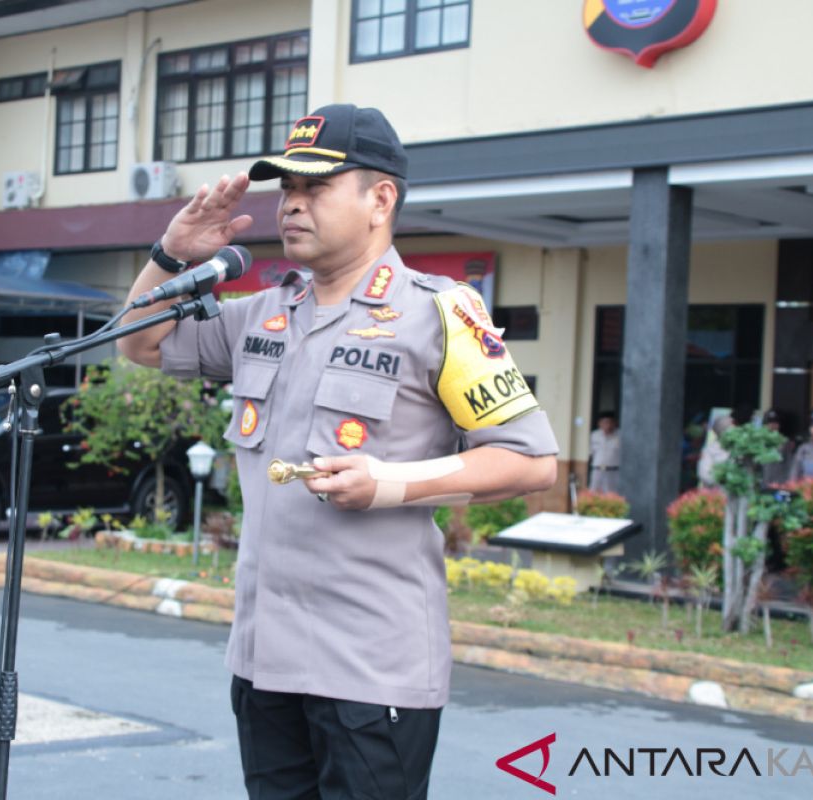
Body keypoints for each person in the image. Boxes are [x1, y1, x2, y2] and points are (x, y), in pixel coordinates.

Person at [118, 104, 559, 799]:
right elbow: (138, 342)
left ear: (380, 199)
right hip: (265, 659)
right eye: (286, 189)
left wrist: (390, 483)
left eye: (315, 187)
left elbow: (531, 460)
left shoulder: (441, 313)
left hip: (371, 665)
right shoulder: (263, 312)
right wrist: (171, 256)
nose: (291, 204)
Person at [697, 411, 733, 488]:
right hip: (716, 494)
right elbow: (704, 474)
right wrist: (724, 478)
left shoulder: (739, 448)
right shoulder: (710, 450)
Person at [760, 409, 795, 487]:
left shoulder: (785, 442)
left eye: (775, 422)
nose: (772, 425)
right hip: (762, 483)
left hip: (779, 483)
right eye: (770, 422)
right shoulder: (759, 441)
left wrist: (787, 482)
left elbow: (789, 464)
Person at [587, 410, 621, 493]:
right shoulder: (595, 435)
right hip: (598, 469)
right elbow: (591, 452)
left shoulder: (620, 435)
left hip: (613, 470)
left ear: (614, 423)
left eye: (610, 422)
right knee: (593, 493)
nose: (608, 425)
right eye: (605, 422)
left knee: (612, 494)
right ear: (600, 424)